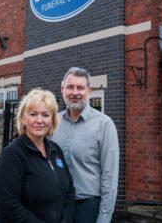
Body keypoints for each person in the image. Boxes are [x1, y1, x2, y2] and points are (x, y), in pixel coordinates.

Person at [0, 88, 75, 223]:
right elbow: (9, 206)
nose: (39, 120)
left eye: (45, 115)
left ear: (52, 120)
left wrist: (65, 220)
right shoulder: (12, 155)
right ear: (23, 118)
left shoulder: (55, 150)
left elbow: (69, 191)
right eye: (33, 114)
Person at [52, 67, 119, 223]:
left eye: (80, 87)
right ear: (62, 89)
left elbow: (110, 176)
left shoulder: (104, 124)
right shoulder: (54, 121)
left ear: (89, 90)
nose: (75, 93)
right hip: (56, 204)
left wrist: (104, 218)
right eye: (70, 87)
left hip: (87, 207)